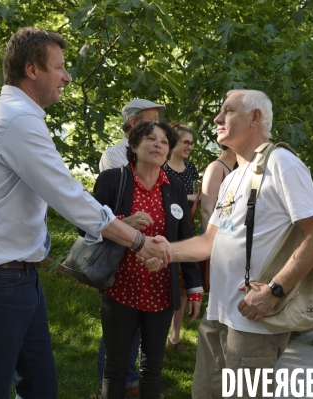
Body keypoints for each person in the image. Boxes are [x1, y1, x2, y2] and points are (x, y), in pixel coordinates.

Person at [0, 27, 170, 399]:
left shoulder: (17, 114)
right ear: (32, 69)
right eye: (61, 67)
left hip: (17, 280)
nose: (67, 76)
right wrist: (136, 240)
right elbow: (68, 196)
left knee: (41, 389)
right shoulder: (16, 119)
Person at [142, 90, 313, 398]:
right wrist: (166, 250)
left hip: (253, 322)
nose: (217, 119)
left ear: (255, 117)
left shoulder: (282, 163)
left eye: (227, 111)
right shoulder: (232, 176)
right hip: (217, 315)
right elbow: (209, 241)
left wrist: (275, 290)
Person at [96, 121, 203, 398]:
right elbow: (86, 228)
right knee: (116, 366)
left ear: (169, 152)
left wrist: (194, 288)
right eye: (150, 139)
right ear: (133, 145)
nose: (158, 144)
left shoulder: (176, 188)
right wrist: (123, 223)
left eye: (164, 141)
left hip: (161, 293)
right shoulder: (112, 180)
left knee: (152, 368)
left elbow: (185, 237)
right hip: (120, 288)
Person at [96, 98, 165, 398]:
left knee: (143, 348)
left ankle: (130, 383)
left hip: (152, 276)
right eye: (151, 123)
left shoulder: (165, 174)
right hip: (119, 269)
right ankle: (120, 384)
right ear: (135, 124)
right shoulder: (114, 160)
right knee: (116, 345)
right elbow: (100, 217)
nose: (157, 132)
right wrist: (128, 223)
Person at [162, 123, 200, 353]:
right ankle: (158, 334)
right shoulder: (162, 167)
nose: (189, 146)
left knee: (184, 287)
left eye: (191, 143)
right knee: (165, 284)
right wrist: (191, 196)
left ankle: (175, 338)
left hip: (186, 232)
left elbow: (194, 200)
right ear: (173, 143)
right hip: (166, 233)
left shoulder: (191, 169)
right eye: (185, 142)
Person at [99, 99, 165, 172]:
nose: (157, 125)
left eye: (157, 121)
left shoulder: (159, 150)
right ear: (133, 122)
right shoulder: (113, 154)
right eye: (152, 121)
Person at [200, 144, 237, 229]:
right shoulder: (216, 167)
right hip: (216, 233)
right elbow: (206, 211)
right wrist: (211, 240)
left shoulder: (236, 168)